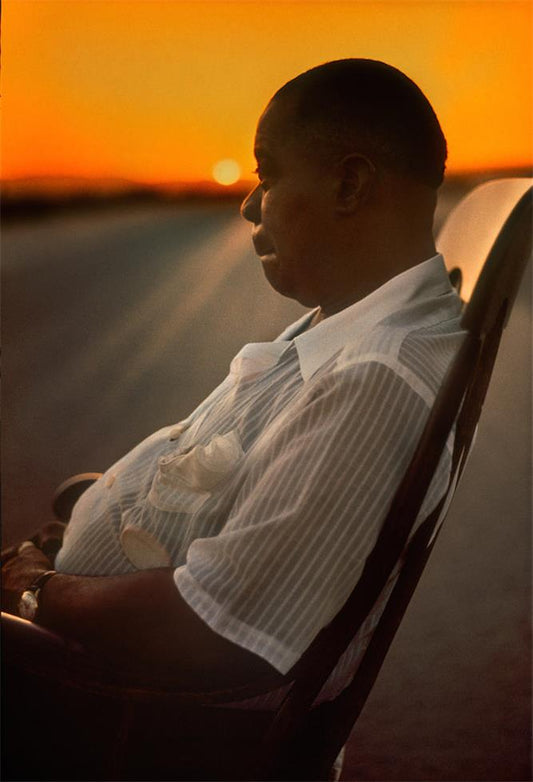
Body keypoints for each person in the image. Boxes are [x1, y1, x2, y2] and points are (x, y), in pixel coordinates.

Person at [2, 59, 464, 704]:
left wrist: (37, 592)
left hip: (113, 715)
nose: (249, 203)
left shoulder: (375, 380)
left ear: (351, 184)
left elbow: (218, 630)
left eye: (267, 174)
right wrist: (103, 517)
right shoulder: (337, 331)